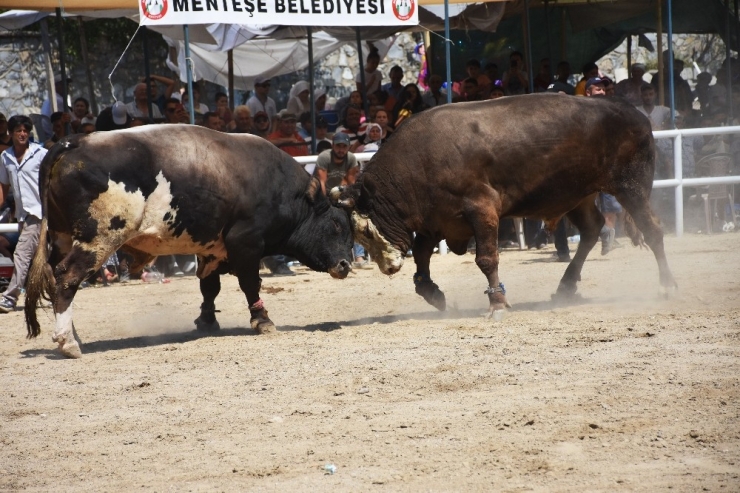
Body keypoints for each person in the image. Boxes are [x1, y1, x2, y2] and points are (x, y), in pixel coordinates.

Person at [0, 115, 48, 313]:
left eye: (25, 131)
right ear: (10, 133)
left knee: (21, 254)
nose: (22, 134)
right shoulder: (5, 158)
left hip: (40, 212)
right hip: (22, 215)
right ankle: (54, 291)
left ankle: (9, 297)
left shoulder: (41, 154)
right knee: (41, 256)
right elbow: (3, 187)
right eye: (18, 130)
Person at [315, 133, 368, 268]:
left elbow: (350, 181)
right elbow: (321, 182)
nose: (341, 149)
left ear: (348, 147)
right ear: (333, 146)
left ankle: (359, 256)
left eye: (344, 146)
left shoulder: (351, 158)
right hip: (325, 193)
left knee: (355, 218)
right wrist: (324, 203)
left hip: (342, 192)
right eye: (338, 146)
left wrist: (347, 200)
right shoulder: (324, 157)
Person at [584, 77, 622, 254]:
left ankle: (610, 239)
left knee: (610, 203)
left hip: (608, 164)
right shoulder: (580, 111)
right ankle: (595, 237)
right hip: (586, 164)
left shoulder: (611, 112)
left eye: (603, 89)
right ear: (588, 92)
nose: (601, 91)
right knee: (586, 203)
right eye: (597, 88)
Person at [40, 73, 72, 138]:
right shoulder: (58, 101)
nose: (66, 87)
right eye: (63, 84)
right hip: (56, 136)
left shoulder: (49, 100)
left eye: (67, 84)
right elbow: (70, 121)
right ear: (55, 86)